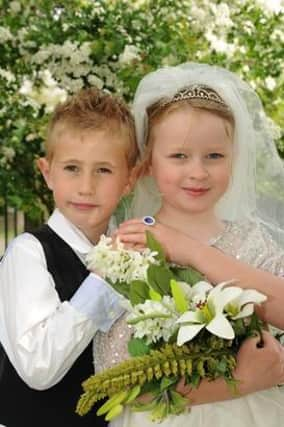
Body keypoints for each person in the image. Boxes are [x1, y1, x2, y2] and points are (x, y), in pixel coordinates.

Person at [94, 63, 284, 426]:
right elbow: (114, 371)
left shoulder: (251, 238)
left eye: (214, 156)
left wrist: (191, 251)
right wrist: (238, 382)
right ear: (149, 162)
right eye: (179, 156)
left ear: (234, 160)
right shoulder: (130, 247)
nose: (198, 172)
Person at [0, 87, 138, 426]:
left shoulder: (138, 254)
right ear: (47, 173)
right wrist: (104, 281)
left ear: (129, 179)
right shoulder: (29, 253)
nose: (86, 186)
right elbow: (38, 368)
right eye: (72, 168)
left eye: (103, 170)